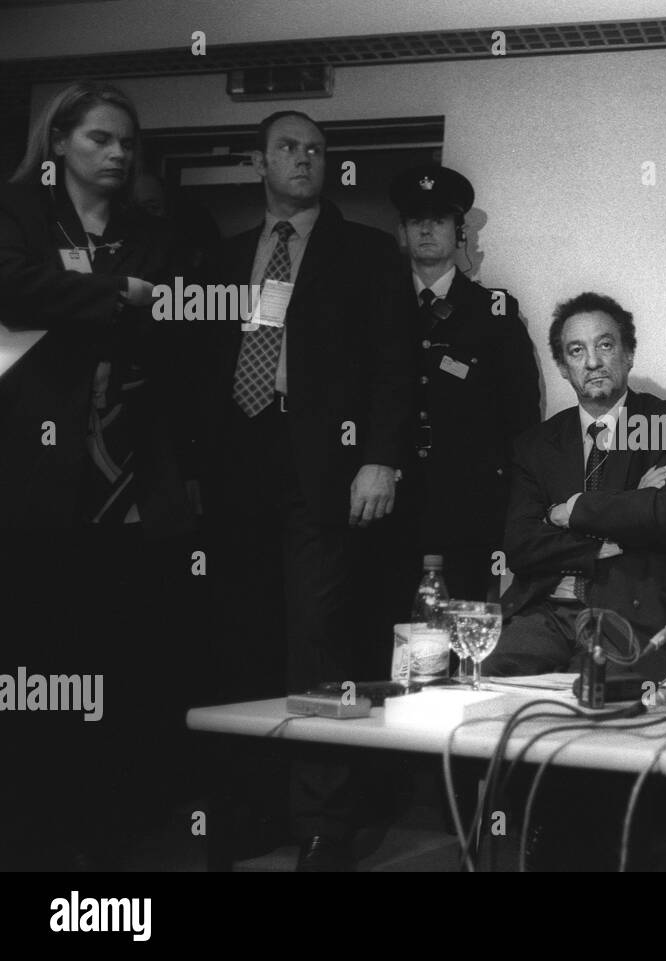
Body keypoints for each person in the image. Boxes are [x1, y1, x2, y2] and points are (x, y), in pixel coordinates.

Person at [197, 110, 412, 871]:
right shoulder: (223, 257)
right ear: (259, 161)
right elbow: (195, 368)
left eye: (317, 151)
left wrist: (380, 458)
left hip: (324, 465)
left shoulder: (365, 251)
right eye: (288, 148)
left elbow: (395, 364)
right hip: (236, 465)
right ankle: (252, 814)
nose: (304, 160)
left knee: (319, 638)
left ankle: (326, 822)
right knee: (240, 635)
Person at [0, 80, 196, 868]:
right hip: (35, 468)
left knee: (123, 650)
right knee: (37, 656)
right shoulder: (18, 213)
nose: (117, 155)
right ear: (58, 144)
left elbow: (173, 323)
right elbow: (14, 291)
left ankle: (119, 814)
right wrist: (115, 294)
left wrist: (110, 304)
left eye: (126, 144)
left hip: (131, 469)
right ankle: (34, 817)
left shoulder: (151, 229)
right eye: (99, 140)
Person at [481, 292, 666, 681]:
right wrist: (606, 534)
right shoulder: (536, 444)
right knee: (485, 674)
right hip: (547, 611)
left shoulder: (665, 421)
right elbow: (521, 545)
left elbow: (659, 514)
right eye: (576, 351)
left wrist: (569, 512)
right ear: (564, 368)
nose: (593, 362)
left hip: (629, 614)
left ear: (628, 353)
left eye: (605, 345)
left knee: (599, 689)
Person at [386, 163, 539, 607]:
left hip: (470, 501)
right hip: (392, 501)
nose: (428, 230)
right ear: (402, 232)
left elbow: (520, 413)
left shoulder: (493, 310)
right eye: (417, 220)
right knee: (390, 624)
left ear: (460, 235)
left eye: (440, 220)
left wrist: (515, 500)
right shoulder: (380, 305)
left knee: (464, 621)